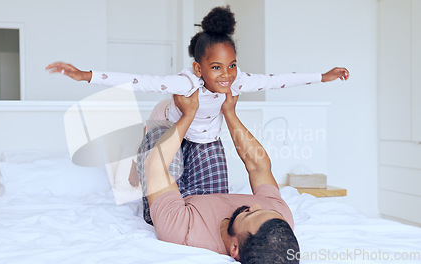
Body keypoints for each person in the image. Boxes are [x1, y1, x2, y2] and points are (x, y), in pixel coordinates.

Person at [46, 6, 349, 225]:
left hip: (204, 138)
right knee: (160, 197)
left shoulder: (237, 80)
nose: (227, 74)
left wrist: (323, 76)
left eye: (231, 65)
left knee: (213, 201)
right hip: (169, 128)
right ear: (198, 68)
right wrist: (86, 75)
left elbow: (277, 79)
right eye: (216, 67)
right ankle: (139, 161)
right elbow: (141, 81)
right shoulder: (186, 83)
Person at [142, 89, 299, 263]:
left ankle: (140, 154)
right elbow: (259, 167)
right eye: (264, 209)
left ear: (234, 249)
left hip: (178, 211)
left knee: (159, 138)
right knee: (205, 136)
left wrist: (188, 115)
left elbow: (156, 167)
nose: (255, 205)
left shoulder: (182, 233)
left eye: (249, 214)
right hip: (209, 196)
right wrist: (230, 112)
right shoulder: (278, 220)